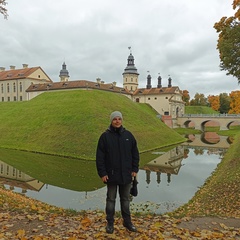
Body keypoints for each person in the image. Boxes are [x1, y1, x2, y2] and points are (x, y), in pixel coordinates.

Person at [96, 111, 139, 234]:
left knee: (125, 200)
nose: (117, 121)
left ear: (122, 120)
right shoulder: (105, 137)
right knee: (111, 200)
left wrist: (135, 169)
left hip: (126, 175)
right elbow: (100, 157)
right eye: (115, 119)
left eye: (119, 119)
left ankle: (127, 222)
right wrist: (102, 173)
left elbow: (135, 154)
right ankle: (110, 223)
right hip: (111, 175)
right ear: (111, 120)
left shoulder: (128, 136)